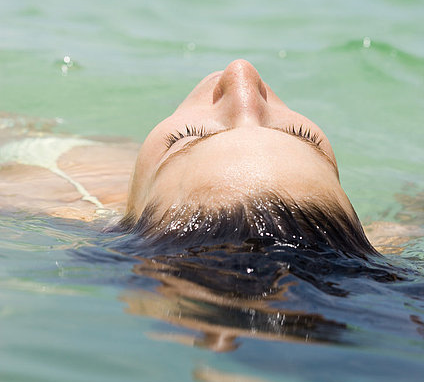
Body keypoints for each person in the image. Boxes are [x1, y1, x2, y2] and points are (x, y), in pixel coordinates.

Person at [0, 60, 420, 254]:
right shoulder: (384, 244)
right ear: (365, 235)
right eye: (303, 136)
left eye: (185, 138)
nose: (242, 76)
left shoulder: (44, 199)